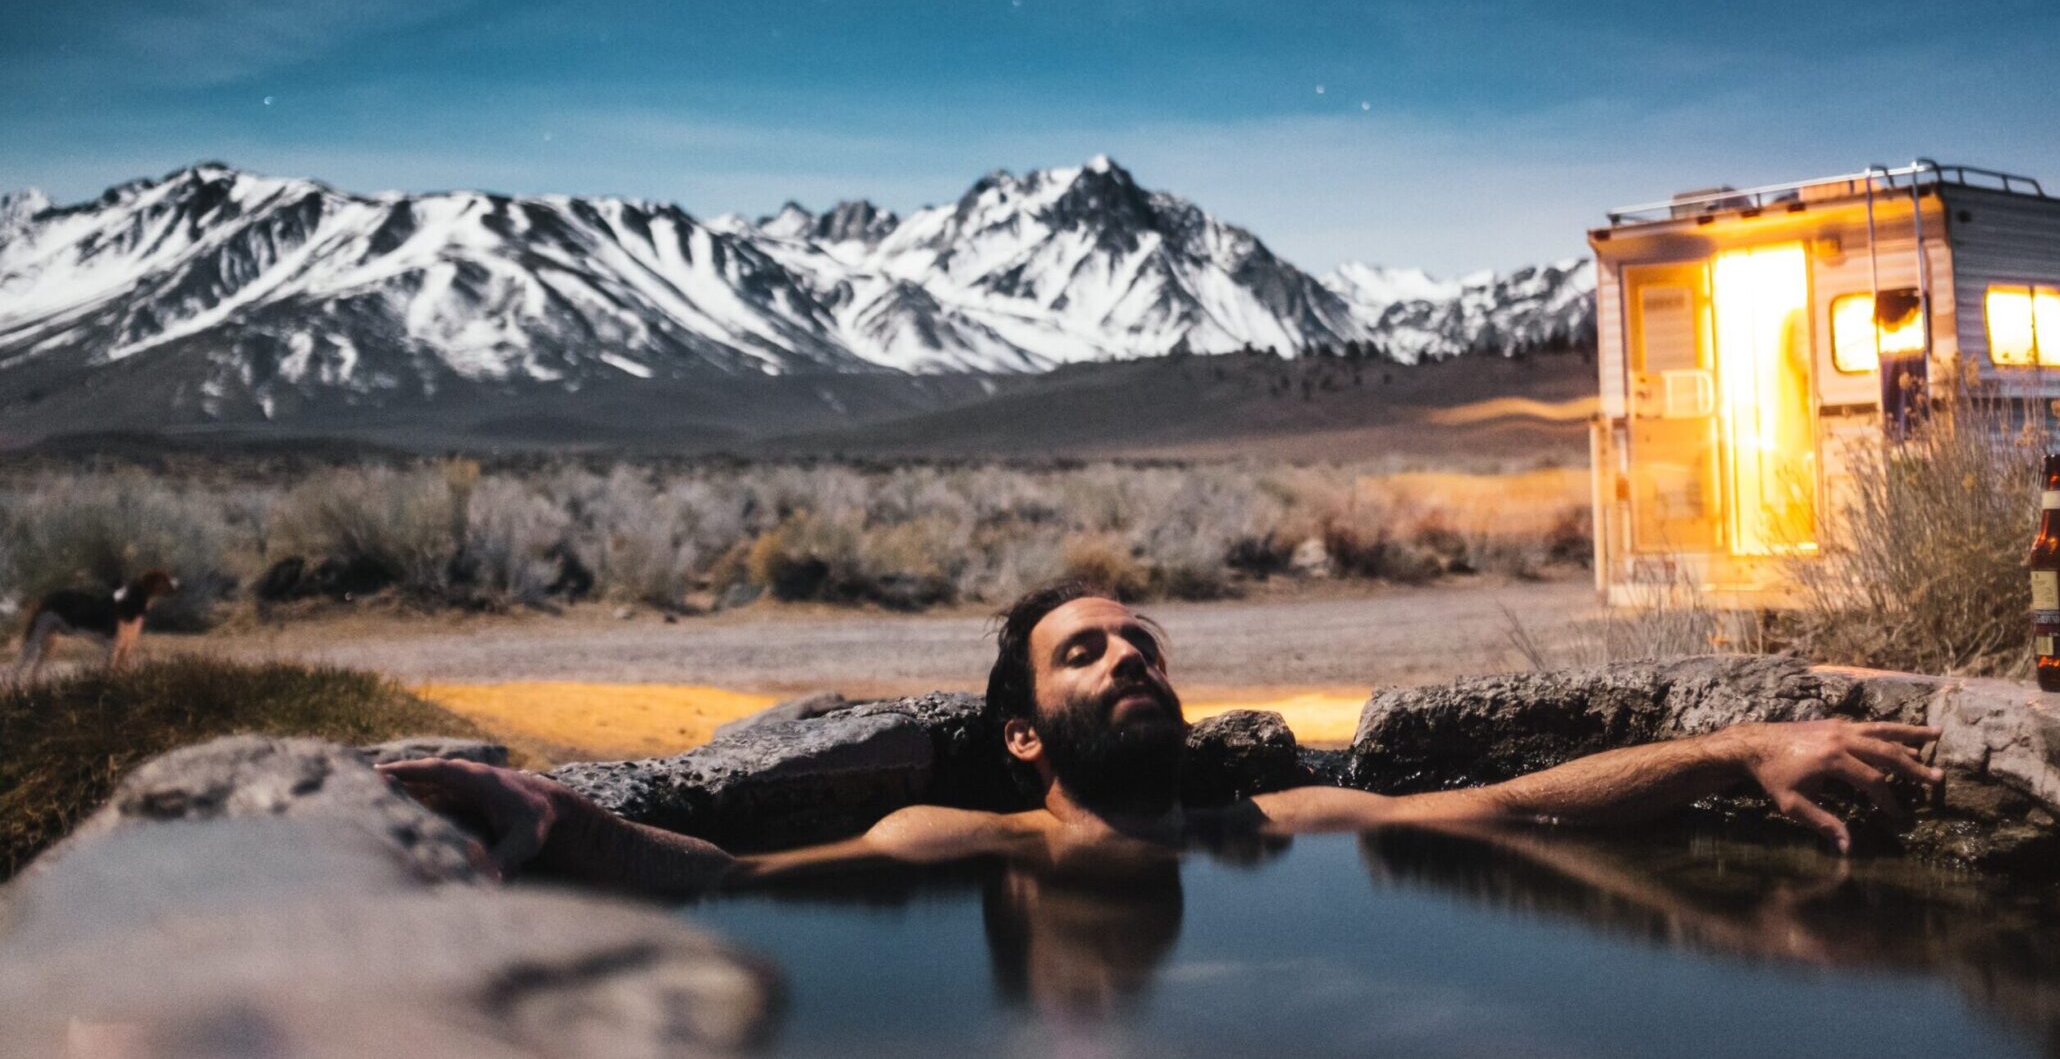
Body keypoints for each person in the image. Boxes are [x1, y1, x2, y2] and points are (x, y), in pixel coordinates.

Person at [382, 579, 1943, 896]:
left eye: (1144, 642)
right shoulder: (954, 846)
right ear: (1018, 738)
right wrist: (547, 815)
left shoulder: (1279, 830)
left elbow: (1528, 804)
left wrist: (1742, 752)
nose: (1129, 655)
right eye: (1086, 649)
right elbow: (721, 881)